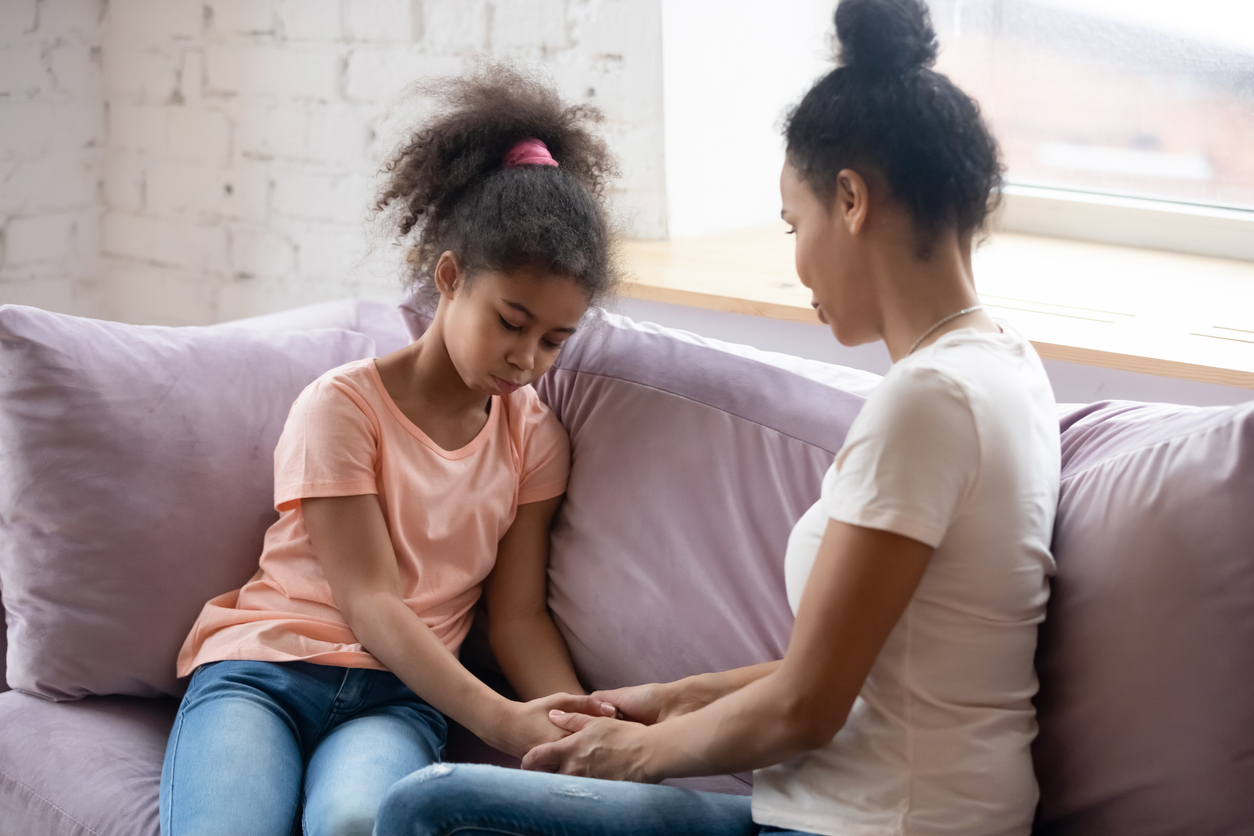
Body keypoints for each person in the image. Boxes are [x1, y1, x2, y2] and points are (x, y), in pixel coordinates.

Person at [373, 1, 1061, 835]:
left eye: (793, 223)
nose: (796, 259)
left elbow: (806, 708)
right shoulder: (1007, 372)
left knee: (430, 807)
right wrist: (667, 702)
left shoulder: (928, 403)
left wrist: (618, 759)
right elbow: (864, 668)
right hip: (865, 813)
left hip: (870, 826)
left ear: (850, 200)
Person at [158, 65, 623, 836]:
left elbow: (518, 617)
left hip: (398, 700)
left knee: (354, 823)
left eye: (554, 340)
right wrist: (501, 721)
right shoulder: (342, 406)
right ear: (449, 277)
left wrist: (572, 725)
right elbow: (370, 600)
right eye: (510, 321)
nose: (527, 358)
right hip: (266, 672)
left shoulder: (535, 436)